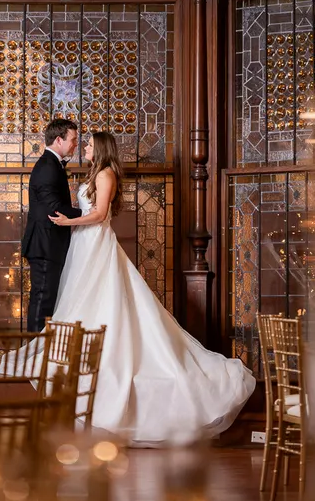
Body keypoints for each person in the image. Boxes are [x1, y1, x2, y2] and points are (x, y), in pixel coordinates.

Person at [48, 131, 255, 445]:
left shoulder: (105, 174)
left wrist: (67, 223)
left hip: (96, 243)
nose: (85, 148)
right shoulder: (94, 173)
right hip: (84, 244)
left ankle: (113, 360)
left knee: (108, 300)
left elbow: (101, 214)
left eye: (89, 144)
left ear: (100, 148)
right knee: (83, 299)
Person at [22, 118, 82, 333]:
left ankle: (40, 353)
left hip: (49, 243)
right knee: (42, 300)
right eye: (73, 140)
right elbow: (54, 207)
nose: (76, 145)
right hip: (44, 245)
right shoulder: (48, 166)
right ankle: (34, 353)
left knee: (47, 299)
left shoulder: (52, 164)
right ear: (59, 139)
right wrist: (87, 214)